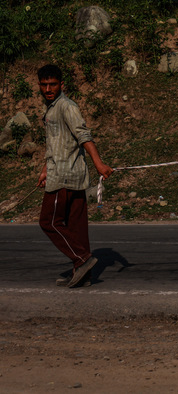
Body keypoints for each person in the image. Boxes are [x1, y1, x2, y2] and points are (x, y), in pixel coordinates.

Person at [36, 64, 113, 288]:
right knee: (76, 226)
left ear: (61, 85)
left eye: (52, 84)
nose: (48, 89)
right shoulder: (51, 108)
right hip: (68, 173)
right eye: (44, 85)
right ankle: (84, 275)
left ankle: (82, 260)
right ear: (40, 86)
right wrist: (44, 170)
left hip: (64, 174)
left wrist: (99, 164)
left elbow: (83, 136)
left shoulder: (66, 107)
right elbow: (55, 144)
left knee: (48, 221)